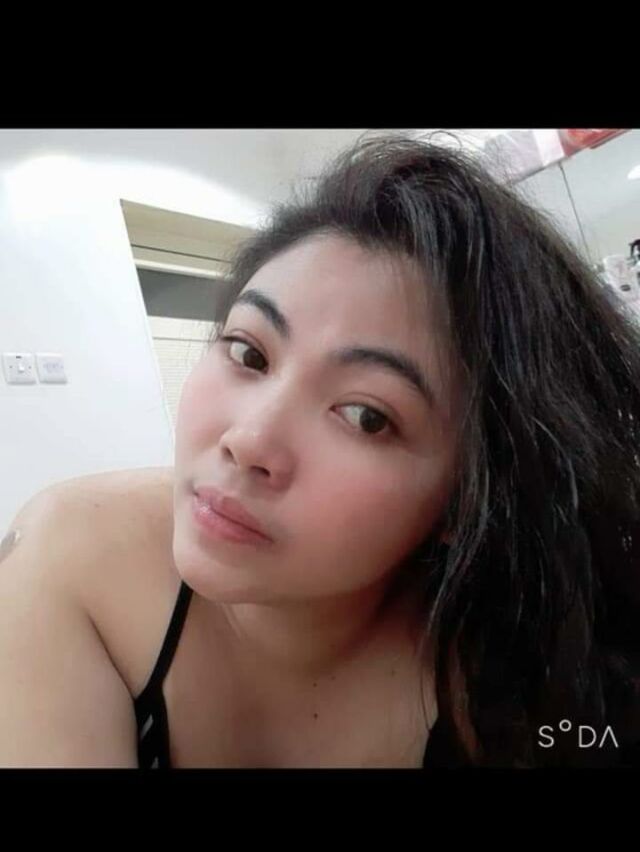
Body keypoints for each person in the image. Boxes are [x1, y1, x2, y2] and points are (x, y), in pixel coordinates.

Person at [2, 132, 640, 768]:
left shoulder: (521, 685)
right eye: (249, 353)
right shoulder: (73, 553)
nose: (247, 441)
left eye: (366, 417)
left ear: (465, 498)